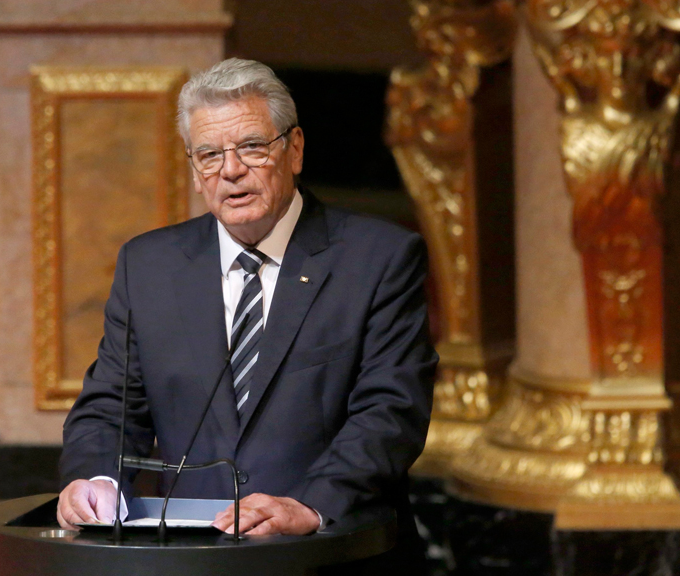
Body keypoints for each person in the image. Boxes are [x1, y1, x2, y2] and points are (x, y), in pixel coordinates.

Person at [56, 57, 437, 566]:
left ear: (295, 150)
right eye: (209, 154)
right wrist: (96, 479)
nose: (230, 170)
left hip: (333, 553)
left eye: (252, 147)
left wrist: (312, 504)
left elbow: (391, 412)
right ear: (194, 171)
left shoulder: (378, 259)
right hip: (193, 558)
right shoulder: (148, 265)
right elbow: (111, 405)